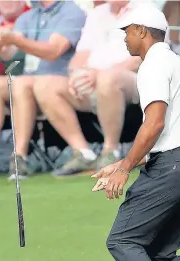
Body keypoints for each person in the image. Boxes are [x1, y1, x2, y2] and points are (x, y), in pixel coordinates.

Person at [91, 3, 180, 261]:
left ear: (142, 31)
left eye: (127, 32)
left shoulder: (153, 64)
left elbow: (155, 124)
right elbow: (174, 134)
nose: (125, 38)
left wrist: (123, 170)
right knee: (162, 256)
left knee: (123, 241)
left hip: (173, 169)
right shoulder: (179, 63)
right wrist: (125, 162)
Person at [33, 0, 141, 177]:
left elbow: (141, 57)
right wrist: (77, 75)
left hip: (132, 78)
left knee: (108, 79)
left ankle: (110, 151)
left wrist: (97, 74)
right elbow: (80, 55)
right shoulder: (97, 14)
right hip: (92, 80)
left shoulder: (145, 11)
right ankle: (84, 153)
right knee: (45, 85)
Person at [0, 0, 86, 180]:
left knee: (23, 83)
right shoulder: (29, 16)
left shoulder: (71, 12)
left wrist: (16, 40)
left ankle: (19, 157)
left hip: (61, 80)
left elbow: (53, 51)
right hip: (28, 81)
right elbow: (10, 53)